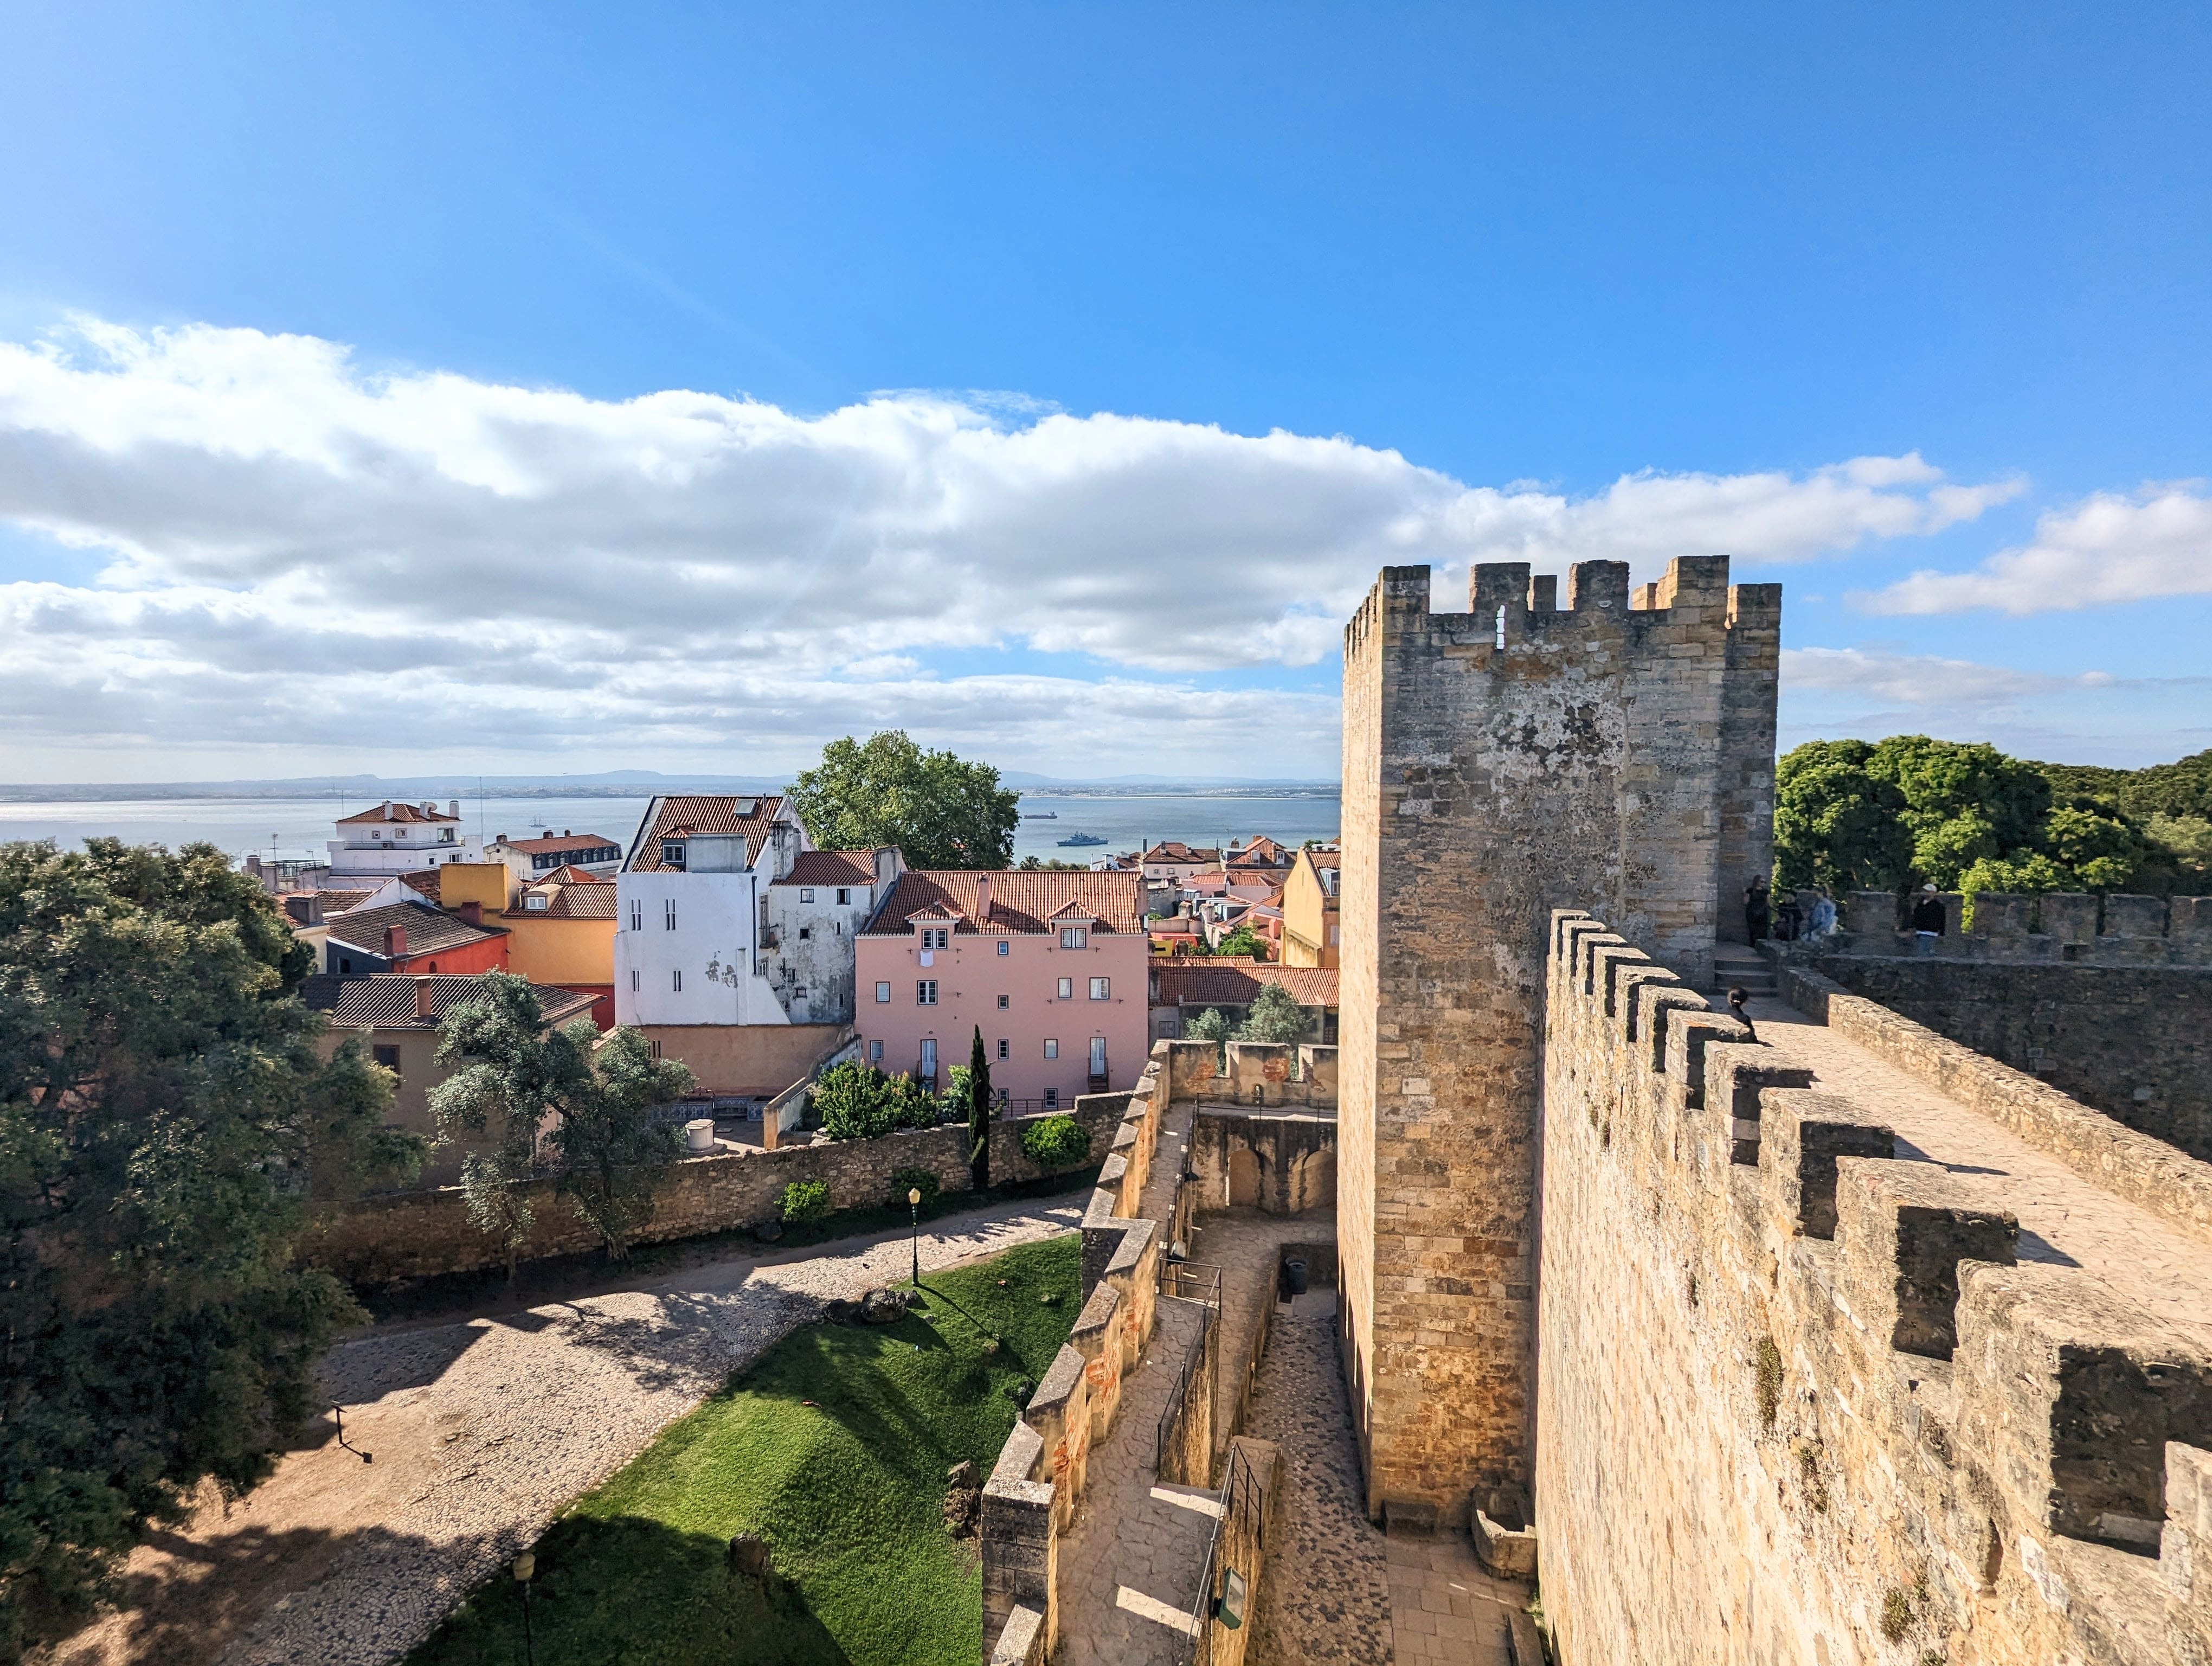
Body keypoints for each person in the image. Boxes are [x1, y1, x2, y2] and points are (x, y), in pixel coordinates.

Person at [1744, 876, 1771, 944]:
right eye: (1762, 882)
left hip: (1762, 912)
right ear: (1757, 881)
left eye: (1764, 882)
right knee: (1753, 929)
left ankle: (1761, 945)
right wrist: (1745, 894)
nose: (1763, 883)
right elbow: (1746, 902)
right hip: (1752, 912)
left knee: (1762, 930)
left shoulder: (1766, 891)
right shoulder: (1750, 891)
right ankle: (1753, 944)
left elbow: (1769, 903)